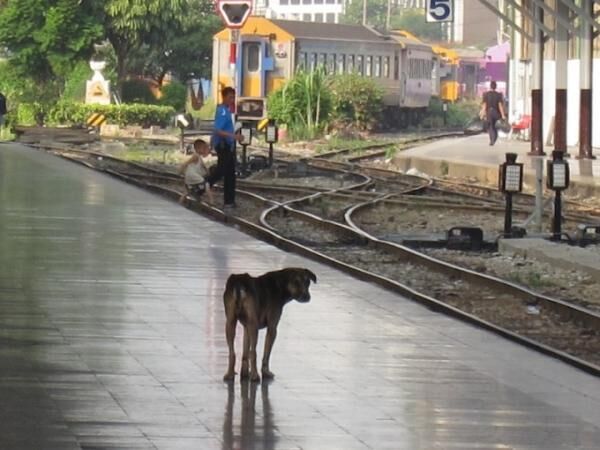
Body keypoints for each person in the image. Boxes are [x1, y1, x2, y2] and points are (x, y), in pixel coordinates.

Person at [206, 86, 242, 209]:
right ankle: (203, 186)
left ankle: (229, 201)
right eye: (230, 97)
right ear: (224, 97)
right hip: (223, 145)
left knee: (230, 174)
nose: (232, 100)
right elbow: (218, 130)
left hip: (227, 145)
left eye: (233, 97)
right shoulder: (222, 111)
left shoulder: (226, 111)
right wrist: (234, 136)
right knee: (221, 171)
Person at [178, 139, 214, 205]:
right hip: (192, 176)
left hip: (190, 177)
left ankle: (180, 202)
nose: (205, 150)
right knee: (206, 185)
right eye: (204, 148)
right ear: (198, 149)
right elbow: (185, 163)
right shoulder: (195, 156)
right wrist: (180, 170)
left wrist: (208, 171)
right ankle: (211, 201)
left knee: (187, 191)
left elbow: (204, 166)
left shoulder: (199, 157)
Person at [480, 80, 506, 146]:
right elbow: (500, 106)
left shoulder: (486, 94)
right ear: (496, 86)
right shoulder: (498, 95)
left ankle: (492, 140)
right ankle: (494, 139)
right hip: (496, 113)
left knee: (490, 126)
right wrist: (503, 115)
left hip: (489, 112)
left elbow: (484, 105)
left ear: (490, 86)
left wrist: (482, 114)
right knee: (495, 127)